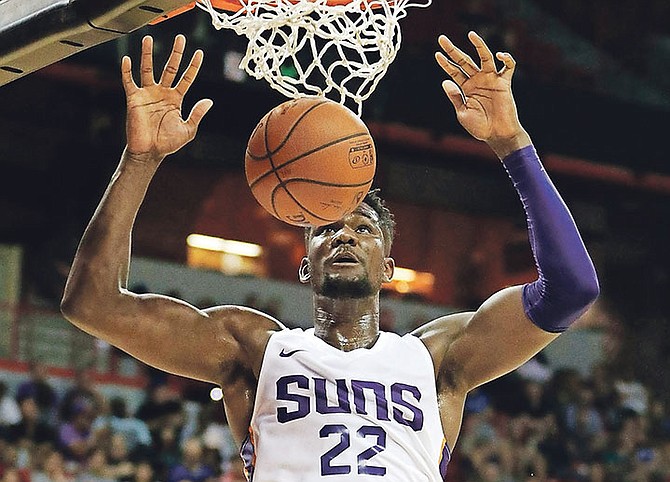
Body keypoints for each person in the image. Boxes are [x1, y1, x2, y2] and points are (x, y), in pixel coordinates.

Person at [60, 31, 599, 480]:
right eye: (324, 228)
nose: (343, 235)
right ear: (304, 264)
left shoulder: (438, 359)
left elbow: (572, 289)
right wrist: (140, 159)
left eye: (362, 227)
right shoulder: (252, 348)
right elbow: (92, 305)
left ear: (388, 265)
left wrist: (512, 144)